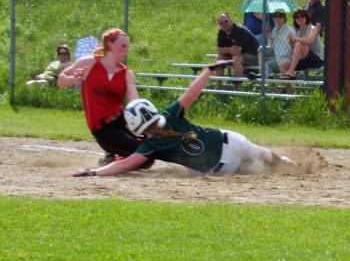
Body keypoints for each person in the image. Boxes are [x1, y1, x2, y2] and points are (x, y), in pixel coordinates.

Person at [72, 61, 294, 178]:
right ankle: (287, 164)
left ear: (135, 126)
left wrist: (94, 172)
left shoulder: (149, 145)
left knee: (200, 171)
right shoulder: (169, 114)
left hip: (220, 167)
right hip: (232, 141)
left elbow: (125, 164)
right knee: (263, 155)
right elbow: (191, 93)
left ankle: (268, 165)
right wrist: (208, 70)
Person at [57, 28, 153, 167]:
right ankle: (115, 159)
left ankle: (115, 156)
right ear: (110, 45)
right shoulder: (89, 63)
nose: (126, 51)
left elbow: (134, 104)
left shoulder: (126, 74)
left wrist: (147, 126)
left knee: (150, 148)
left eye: (127, 47)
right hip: (103, 128)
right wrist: (73, 78)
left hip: (121, 121)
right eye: (123, 46)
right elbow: (61, 79)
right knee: (145, 158)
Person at [216, 12, 259, 88]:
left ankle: (238, 88)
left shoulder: (239, 30)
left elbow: (237, 52)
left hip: (254, 57)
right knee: (220, 58)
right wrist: (229, 49)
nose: (224, 24)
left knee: (236, 58)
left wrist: (225, 50)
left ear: (231, 20)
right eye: (221, 23)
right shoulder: (221, 32)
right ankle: (219, 86)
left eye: (226, 21)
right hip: (238, 56)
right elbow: (219, 50)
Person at [248, 9, 294, 79]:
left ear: (285, 18)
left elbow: (292, 47)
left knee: (271, 66)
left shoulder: (289, 30)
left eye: (280, 16)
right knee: (261, 49)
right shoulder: (275, 30)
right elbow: (272, 46)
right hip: (277, 57)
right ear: (273, 18)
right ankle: (262, 73)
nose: (277, 18)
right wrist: (269, 34)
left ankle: (268, 77)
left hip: (285, 59)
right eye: (275, 16)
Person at [280, 9, 324, 79]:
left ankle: (290, 72)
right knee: (284, 64)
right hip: (303, 59)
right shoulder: (295, 31)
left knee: (299, 44)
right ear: (295, 20)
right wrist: (291, 43)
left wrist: (295, 39)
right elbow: (295, 50)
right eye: (297, 17)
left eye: (302, 16)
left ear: (306, 18)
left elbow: (309, 41)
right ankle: (287, 88)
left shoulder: (313, 28)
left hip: (317, 59)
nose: (300, 18)